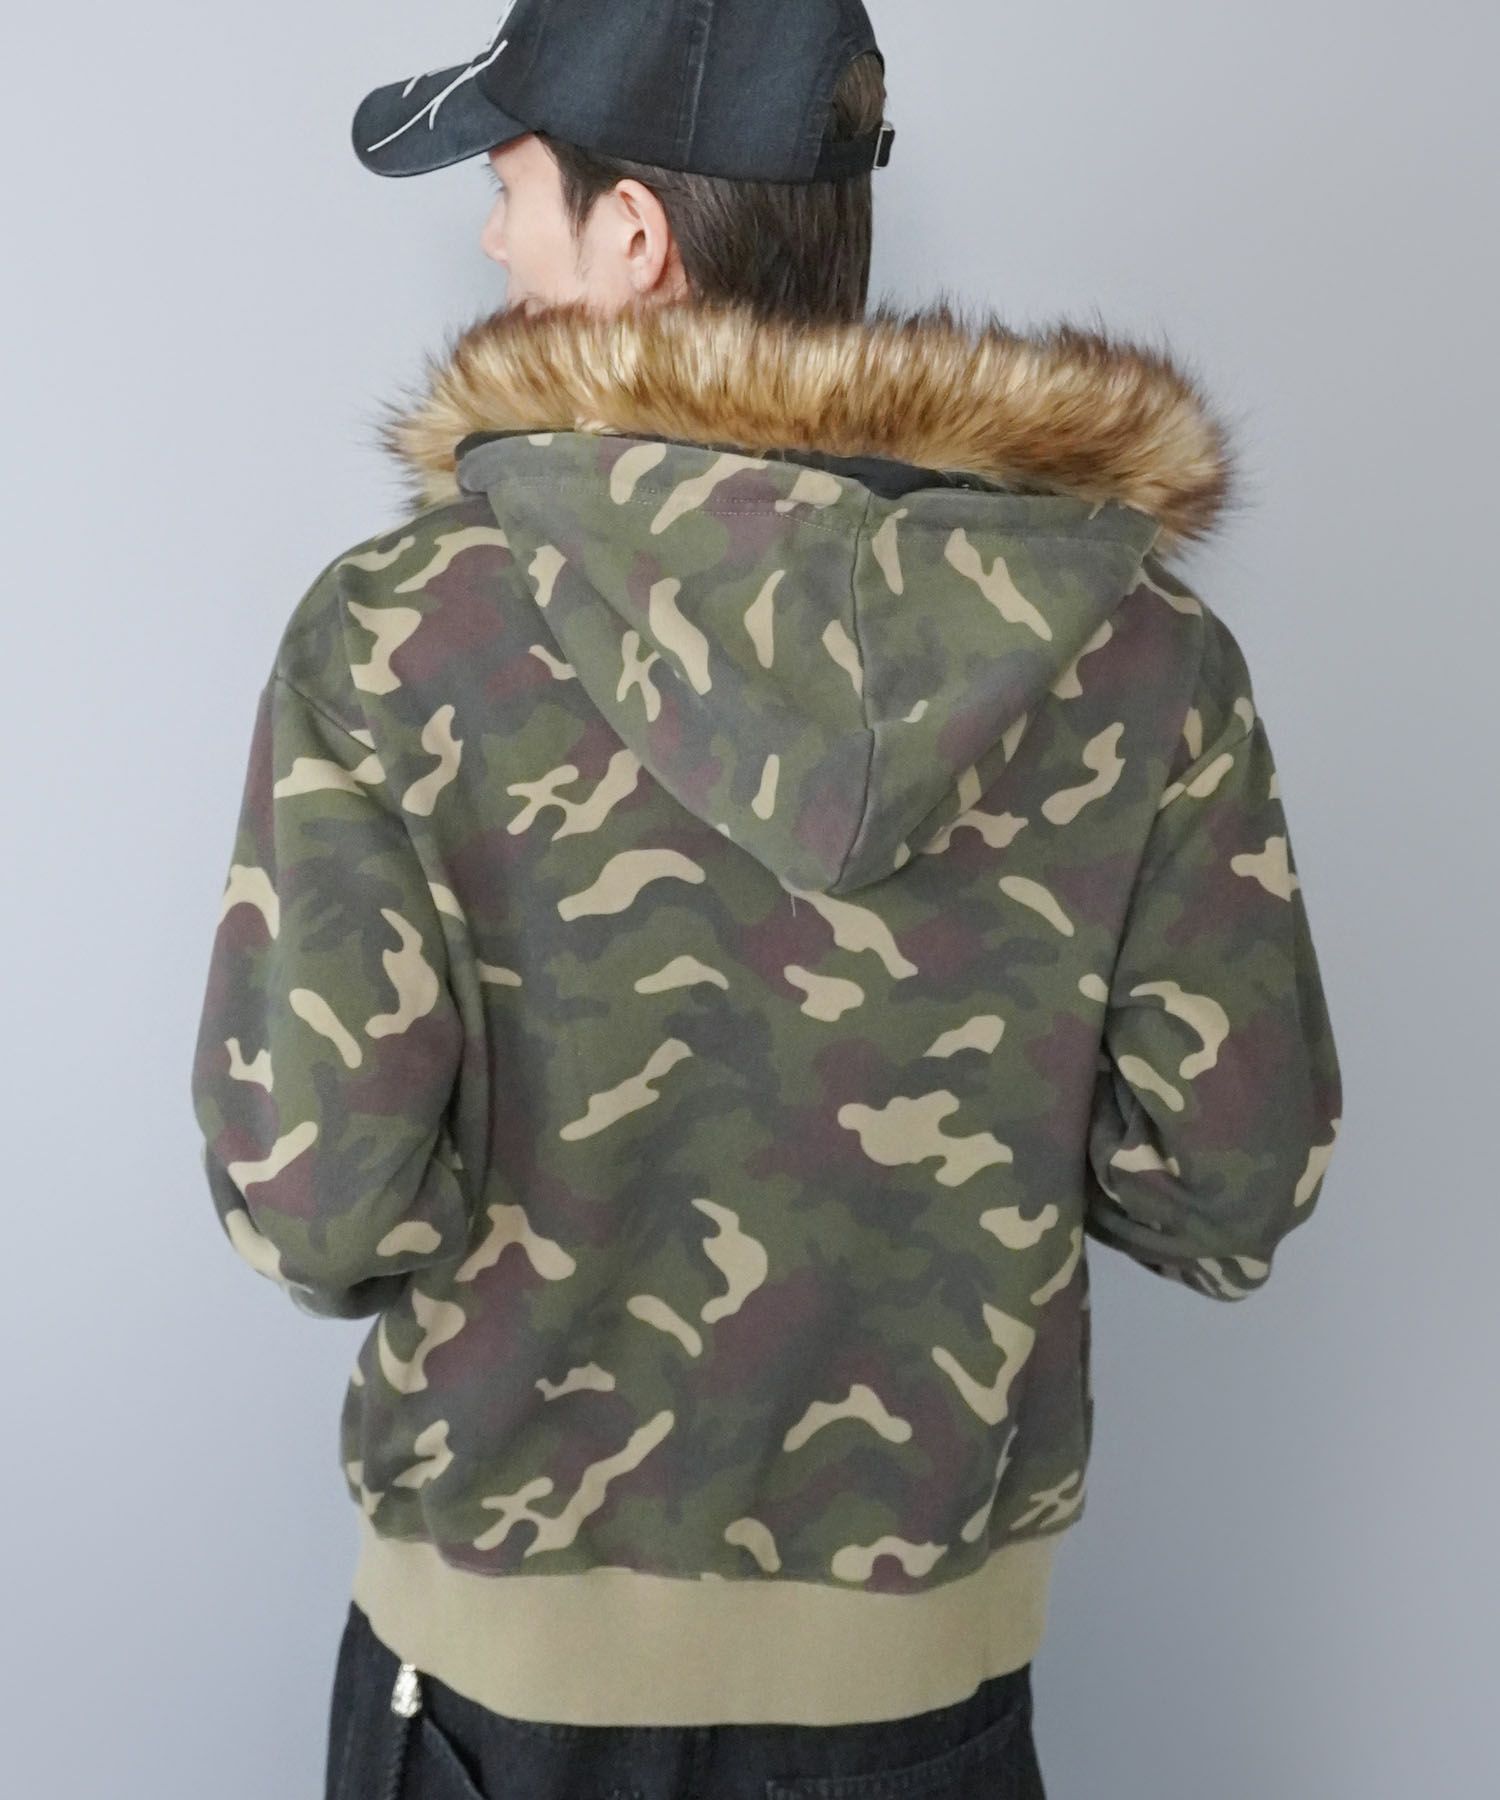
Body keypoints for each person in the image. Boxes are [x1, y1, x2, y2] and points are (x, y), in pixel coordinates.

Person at [187, 3, 1344, 1796]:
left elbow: (318, 1203)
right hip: (924, 1697)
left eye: (514, 189)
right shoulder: (1141, 657)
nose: (490, 239)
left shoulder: (402, 636)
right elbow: (1233, 1185)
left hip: (495, 1692)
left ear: (635, 236)